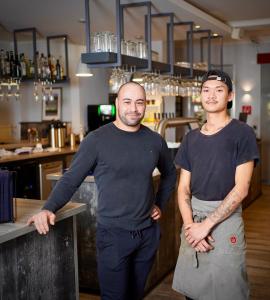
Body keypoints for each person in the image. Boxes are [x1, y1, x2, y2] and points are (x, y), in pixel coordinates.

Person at [27, 81, 177, 300]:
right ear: (116, 103)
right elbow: (71, 179)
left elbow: (170, 173)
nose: (133, 108)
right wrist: (48, 207)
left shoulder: (154, 140)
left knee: (135, 295)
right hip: (113, 236)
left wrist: (159, 204)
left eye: (139, 102)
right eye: (127, 102)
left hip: (147, 233)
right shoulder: (96, 140)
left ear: (146, 104)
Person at [172, 70, 259, 300]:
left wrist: (206, 226)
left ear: (230, 96)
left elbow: (241, 189)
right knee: (193, 291)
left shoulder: (242, 133)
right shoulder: (190, 139)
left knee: (228, 291)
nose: (211, 95)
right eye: (206, 90)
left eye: (219, 90)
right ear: (200, 95)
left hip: (226, 222)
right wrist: (191, 227)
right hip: (195, 220)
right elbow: (183, 188)